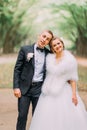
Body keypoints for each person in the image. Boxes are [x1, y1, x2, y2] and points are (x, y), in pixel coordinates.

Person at [29, 37, 87, 130]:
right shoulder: (49, 58)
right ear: (52, 48)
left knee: (65, 116)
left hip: (64, 91)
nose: (57, 46)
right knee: (47, 116)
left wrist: (74, 94)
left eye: (58, 43)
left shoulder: (70, 59)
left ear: (62, 44)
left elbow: (72, 79)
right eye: (54, 45)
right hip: (48, 92)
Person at [13, 30, 54, 130]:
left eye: (47, 39)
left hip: (39, 90)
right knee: (22, 116)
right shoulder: (25, 49)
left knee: (37, 117)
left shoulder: (49, 54)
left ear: (49, 42)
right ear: (39, 35)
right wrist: (16, 87)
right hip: (24, 89)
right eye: (43, 36)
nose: (44, 40)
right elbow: (17, 69)